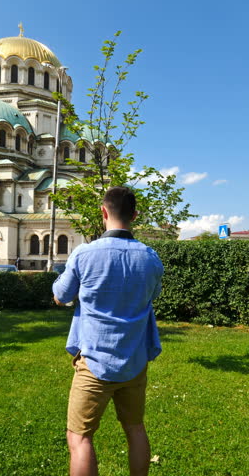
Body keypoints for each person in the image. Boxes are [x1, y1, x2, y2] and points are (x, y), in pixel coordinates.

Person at [52, 186, 164, 476]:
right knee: (135, 428)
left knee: (79, 437)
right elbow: (154, 295)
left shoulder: (84, 253)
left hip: (93, 362)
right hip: (134, 362)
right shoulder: (151, 258)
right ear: (135, 216)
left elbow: (61, 294)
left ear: (103, 212)